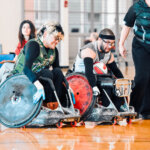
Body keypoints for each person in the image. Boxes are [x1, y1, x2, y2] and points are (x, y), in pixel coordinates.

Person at [12, 22, 65, 110]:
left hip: (37, 77)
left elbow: (57, 70)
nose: (57, 42)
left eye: (59, 39)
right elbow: (26, 69)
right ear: (45, 34)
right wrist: (39, 86)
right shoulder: (34, 45)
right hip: (22, 77)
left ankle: (55, 105)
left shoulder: (54, 50)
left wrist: (67, 86)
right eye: (56, 38)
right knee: (46, 73)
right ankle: (46, 105)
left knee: (58, 72)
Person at [74, 28, 124, 111]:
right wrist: (93, 86)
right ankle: (107, 110)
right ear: (100, 39)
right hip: (82, 78)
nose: (109, 46)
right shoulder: (89, 50)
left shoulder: (108, 53)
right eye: (107, 43)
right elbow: (88, 71)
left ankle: (117, 109)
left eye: (112, 44)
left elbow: (116, 70)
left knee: (115, 84)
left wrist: (123, 82)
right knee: (106, 84)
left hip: (98, 77)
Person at [119, 0, 150, 119]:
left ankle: (146, 111)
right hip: (140, 46)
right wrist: (121, 44)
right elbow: (127, 26)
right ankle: (134, 109)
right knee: (142, 77)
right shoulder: (137, 7)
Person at [0, 20, 36, 84]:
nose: (26, 29)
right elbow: (15, 60)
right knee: (5, 73)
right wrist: (7, 61)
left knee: (6, 66)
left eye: (28, 27)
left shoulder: (33, 43)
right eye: (23, 27)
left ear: (32, 30)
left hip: (27, 67)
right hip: (18, 65)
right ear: (21, 30)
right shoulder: (21, 43)